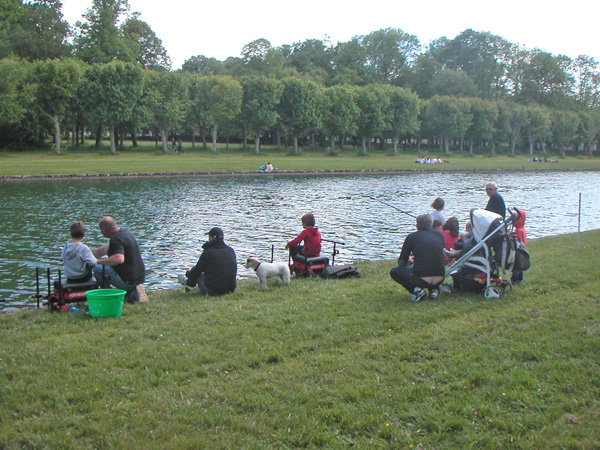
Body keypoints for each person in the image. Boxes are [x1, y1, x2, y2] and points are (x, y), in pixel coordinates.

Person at [389, 214, 445, 302]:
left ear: (417, 226)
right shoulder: (439, 234)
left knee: (394, 271)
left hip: (421, 279)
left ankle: (417, 291)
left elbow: (401, 262)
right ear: (431, 224)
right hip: (440, 277)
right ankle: (433, 290)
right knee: (432, 264)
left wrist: (409, 262)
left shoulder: (411, 237)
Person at [92, 216, 148, 304]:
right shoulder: (125, 233)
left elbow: (119, 259)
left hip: (127, 281)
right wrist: (90, 256)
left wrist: (97, 261)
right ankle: (133, 290)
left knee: (97, 268)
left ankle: (108, 297)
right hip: (138, 277)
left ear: (104, 230)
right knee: (103, 265)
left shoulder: (116, 239)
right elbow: (103, 249)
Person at [178, 227, 237, 296]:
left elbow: (196, 271)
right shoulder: (230, 250)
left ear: (211, 238)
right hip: (230, 289)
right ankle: (191, 286)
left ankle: (187, 283)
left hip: (213, 291)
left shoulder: (208, 252)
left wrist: (188, 272)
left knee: (198, 274)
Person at [511, 210, 527, 284]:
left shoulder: (519, 231)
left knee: (516, 266)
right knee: (519, 266)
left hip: (518, 251)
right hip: (521, 250)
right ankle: (519, 279)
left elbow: (517, 241)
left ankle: (514, 279)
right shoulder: (521, 229)